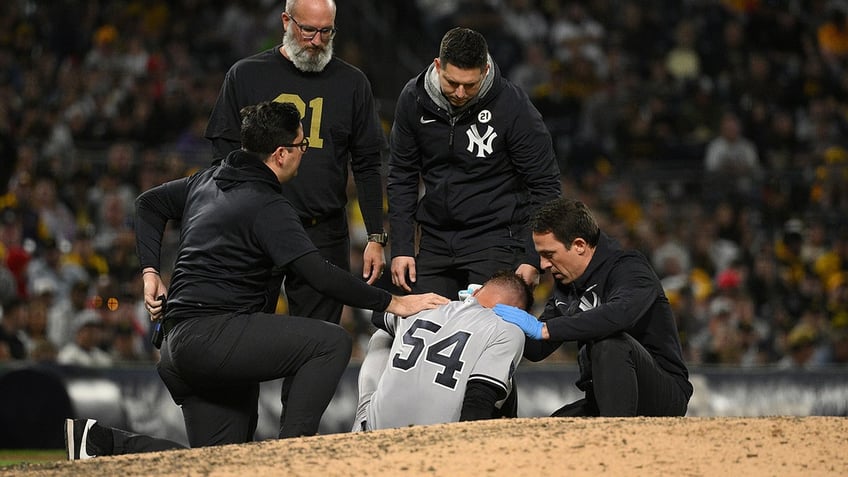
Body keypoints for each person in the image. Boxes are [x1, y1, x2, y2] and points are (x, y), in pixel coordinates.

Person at [65, 101, 449, 458]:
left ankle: (102, 441)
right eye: (301, 144)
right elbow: (317, 274)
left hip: (178, 346)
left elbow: (148, 203)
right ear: (280, 153)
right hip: (214, 336)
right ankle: (289, 458)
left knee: (221, 462)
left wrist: (150, 272)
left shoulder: (206, 181)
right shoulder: (267, 204)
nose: (304, 151)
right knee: (331, 342)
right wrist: (393, 302)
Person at [205, 0, 389, 325]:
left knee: (319, 342)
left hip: (323, 232)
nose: (317, 41)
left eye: (326, 32)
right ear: (286, 21)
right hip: (255, 228)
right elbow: (223, 156)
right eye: (308, 30)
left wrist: (376, 237)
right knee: (243, 335)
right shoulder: (246, 74)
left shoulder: (353, 83)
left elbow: (367, 164)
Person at [387, 27, 561, 298]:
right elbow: (402, 175)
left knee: (485, 330)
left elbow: (545, 185)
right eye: (452, 82)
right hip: (435, 239)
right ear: (438, 66)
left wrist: (532, 256)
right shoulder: (413, 99)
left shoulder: (512, 106)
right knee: (421, 325)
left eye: (470, 85)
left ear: (485, 69)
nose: (459, 92)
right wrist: (401, 247)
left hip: (496, 238)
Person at [493, 197, 693, 417]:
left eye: (549, 254)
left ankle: (618, 442)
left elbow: (620, 314)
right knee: (549, 430)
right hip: (603, 397)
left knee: (609, 342)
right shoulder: (568, 282)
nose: (543, 265)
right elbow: (537, 349)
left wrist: (545, 329)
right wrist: (501, 309)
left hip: (662, 395)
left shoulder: (629, 267)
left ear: (579, 245)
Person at [352, 271, 532, 431]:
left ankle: (359, 429)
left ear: (475, 292)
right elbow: (479, 401)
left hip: (375, 434)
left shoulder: (426, 303)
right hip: (438, 444)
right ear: (520, 314)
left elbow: (377, 316)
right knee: (502, 377)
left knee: (382, 334)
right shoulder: (509, 329)